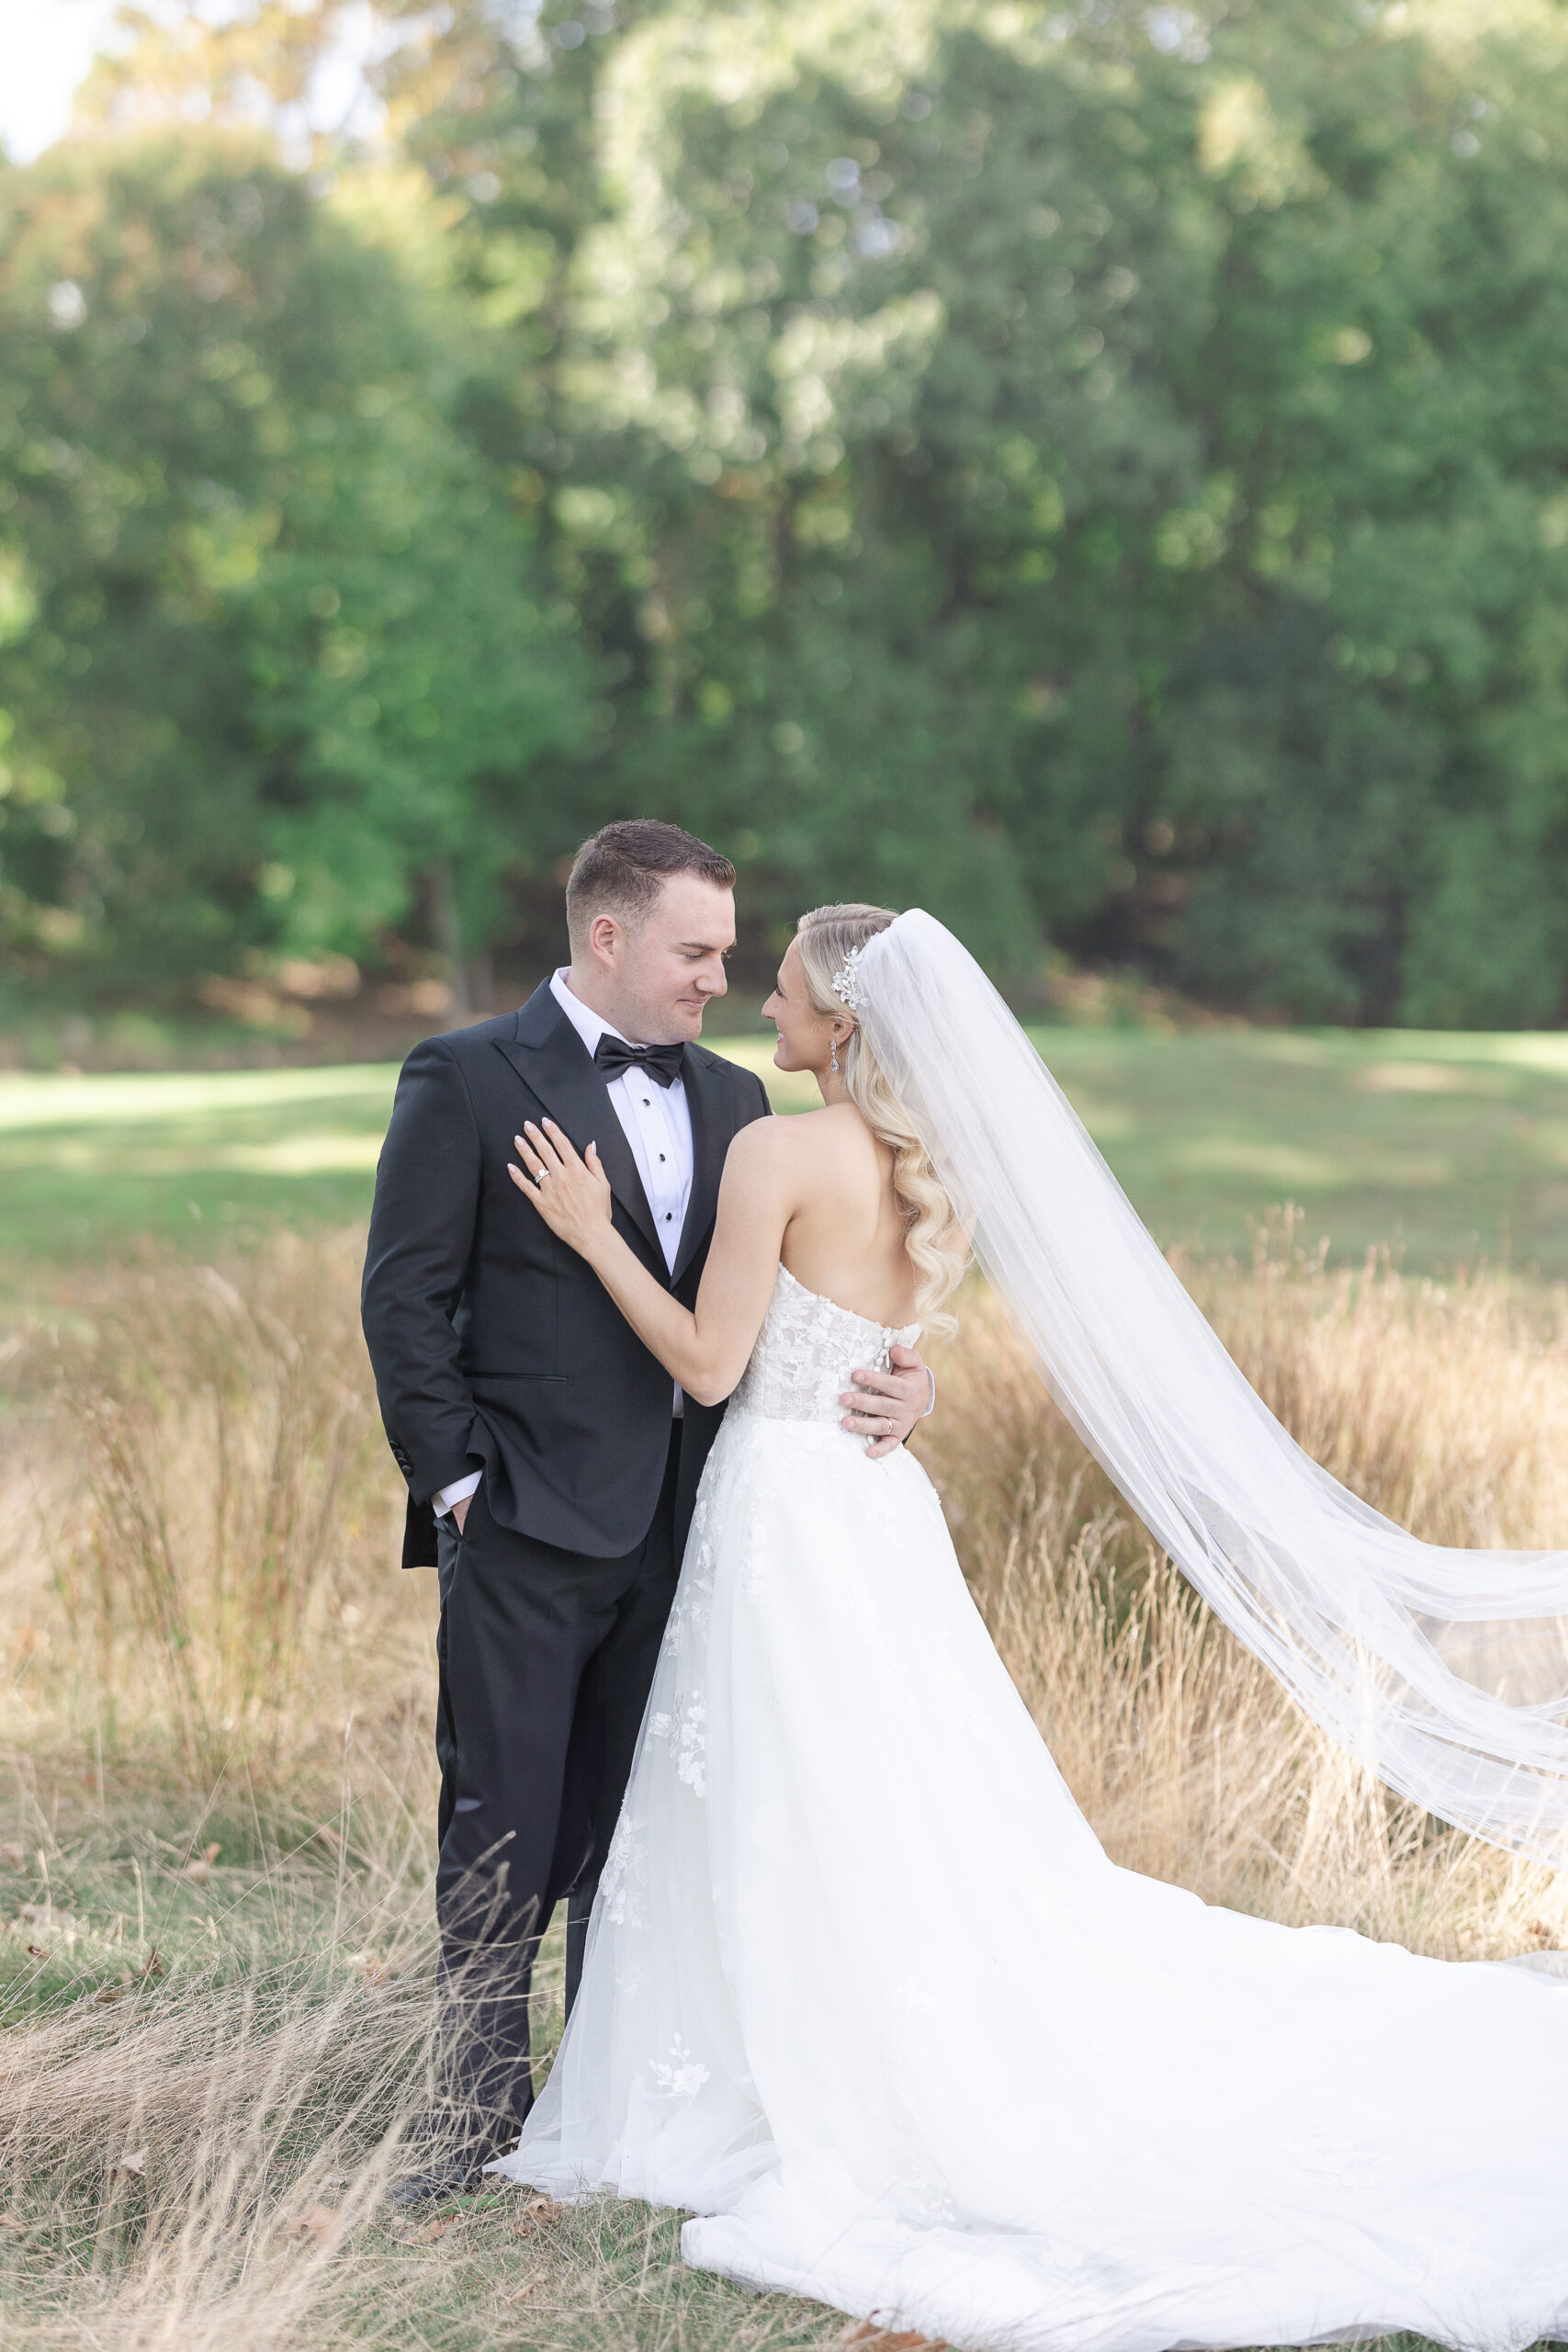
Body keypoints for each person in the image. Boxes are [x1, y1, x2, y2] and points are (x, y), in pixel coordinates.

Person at [492, 899, 1568, 2352]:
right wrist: (908, 1387)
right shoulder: (937, 1174)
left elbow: (705, 1362)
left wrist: (589, 1232)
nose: (765, 1010)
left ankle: (775, 2077)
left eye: (791, 994)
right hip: (873, 1514)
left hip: (787, 1518)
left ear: (847, 1025)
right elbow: (883, 1347)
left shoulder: (776, 1151)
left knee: (792, 1796)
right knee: (886, 1805)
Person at [359, 830, 937, 2202]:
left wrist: (904, 1384)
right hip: (525, 1527)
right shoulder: (467, 1077)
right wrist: (460, 1490)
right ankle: (473, 2114)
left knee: (643, 1835)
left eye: (734, 957)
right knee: (504, 1816)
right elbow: (403, 1300)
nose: (720, 982)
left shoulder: (746, 1100)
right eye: (695, 953)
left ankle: (603, 2107)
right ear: (607, 938)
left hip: (705, 1529)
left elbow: (808, 1300)